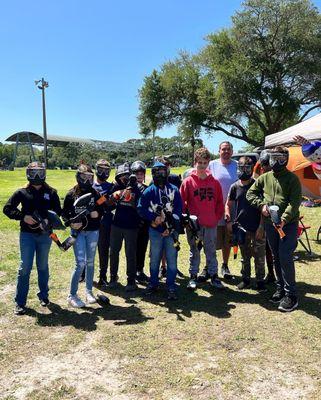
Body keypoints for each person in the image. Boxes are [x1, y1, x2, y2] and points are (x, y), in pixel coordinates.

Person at [247, 146, 302, 312]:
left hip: (288, 225)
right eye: (274, 158)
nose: (276, 162)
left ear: (286, 160)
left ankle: (291, 295)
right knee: (277, 257)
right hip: (271, 225)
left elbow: (294, 203)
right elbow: (251, 194)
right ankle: (281, 289)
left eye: (280, 158)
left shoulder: (292, 179)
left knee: (285, 256)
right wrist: (262, 206)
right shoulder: (265, 177)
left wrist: (284, 219)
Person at [3, 162, 61, 315]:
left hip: (45, 235)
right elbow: (7, 209)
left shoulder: (52, 192)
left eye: (40, 173)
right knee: (25, 268)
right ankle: (20, 302)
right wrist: (23, 217)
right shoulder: (22, 192)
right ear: (28, 173)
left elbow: (58, 211)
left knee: (42, 266)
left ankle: (44, 296)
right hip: (27, 235)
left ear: (44, 174)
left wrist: (49, 220)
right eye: (34, 172)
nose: (37, 176)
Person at [180, 147, 224, 290]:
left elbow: (219, 203)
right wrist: (187, 220)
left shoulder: (215, 182)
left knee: (211, 251)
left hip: (211, 224)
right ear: (195, 162)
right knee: (195, 251)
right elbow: (181, 203)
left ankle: (214, 276)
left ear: (208, 163)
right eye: (199, 162)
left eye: (205, 162)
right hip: (194, 226)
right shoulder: (188, 182)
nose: (202, 165)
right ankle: (193, 277)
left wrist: (216, 218)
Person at [137, 161, 182, 300]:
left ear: (167, 172)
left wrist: (170, 227)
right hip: (155, 230)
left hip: (171, 231)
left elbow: (179, 209)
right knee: (155, 259)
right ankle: (153, 283)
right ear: (153, 174)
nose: (160, 175)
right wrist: (153, 219)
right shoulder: (149, 190)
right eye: (157, 172)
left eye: (162, 172)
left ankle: (171, 286)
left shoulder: (174, 189)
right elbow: (141, 208)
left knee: (172, 259)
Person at [62, 163, 103, 308]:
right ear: (78, 177)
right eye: (83, 177)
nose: (87, 180)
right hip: (78, 233)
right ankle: (72, 295)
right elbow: (64, 214)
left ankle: (89, 291)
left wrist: (97, 213)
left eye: (89, 177)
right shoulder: (71, 194)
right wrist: (71, 223)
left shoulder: (96, 193)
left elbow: (102, 206)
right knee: (80, 263)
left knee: (90, 262)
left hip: (93, 231)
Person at [225, 157, 266, 291]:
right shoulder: (235, 186)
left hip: (257, 227)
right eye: (241, 168)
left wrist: (261, 226)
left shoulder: (257, 186)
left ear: (251, 169)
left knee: (259, 256)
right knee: (245, 256)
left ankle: (260, 281)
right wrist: (229, 220)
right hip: (241, 228)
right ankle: (246, 279)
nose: (244, 171)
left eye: (247, 168)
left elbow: (263, 208)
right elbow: (228, 204)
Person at [201, 141, 238, 281]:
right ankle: (207, 266)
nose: (226, 152)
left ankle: (225, 265)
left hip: (231, 210)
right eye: (223, 149)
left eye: (228, 149)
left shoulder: (237, 165)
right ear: (219, 151)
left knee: (227, 239)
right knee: (210, 240)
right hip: (213, 210)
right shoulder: (212, 165)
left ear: (232, 151)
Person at [109, 163, 142, 291]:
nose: (124, 179)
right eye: (122, 176)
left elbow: (140, 207)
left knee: (130, 253)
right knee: (114, 252)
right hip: (116, 224)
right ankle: (112, 277)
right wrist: (115, 196)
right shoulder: (116, 187)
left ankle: (131, 280)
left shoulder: (137, 188)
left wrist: (131, 195)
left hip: (131, 226)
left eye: (127, 176)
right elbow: (107, 204)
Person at [156, 157, 183, 278]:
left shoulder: (175, 179)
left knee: (174, 243)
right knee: (161, 246)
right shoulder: (155, 181)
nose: (165, 167)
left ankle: (174, 267)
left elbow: (180, 197)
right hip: (160, 218)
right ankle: (163, 267)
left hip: (174, 217)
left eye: (167, 165)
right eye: (162, 165)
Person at [254, 150, 276, 284]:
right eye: (263, 164)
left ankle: (274, 273)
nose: (265, 167)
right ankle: (270, 273)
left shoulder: (277, 173)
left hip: (275, 215)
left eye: (267, 164)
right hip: (262, 214)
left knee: (273, 248)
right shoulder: (259, 173)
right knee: (265, 247)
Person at [93, 159, 114, 287]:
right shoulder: (90, 184)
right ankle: (84, 273)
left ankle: (103, 275)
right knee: (88, 250)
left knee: (103, 250)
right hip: (90, 223)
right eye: (101, 170)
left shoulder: (111, 186)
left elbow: (109, 203)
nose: (103, 173)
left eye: (106, 170)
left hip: (106, 222)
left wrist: (103, 200)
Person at [131, 160, 150, 283]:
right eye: (136, 174)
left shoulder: (147, 189)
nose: (139, 176)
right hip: (132, 223)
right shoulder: (129, 188)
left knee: (142, 247)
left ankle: (140, 270)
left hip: (144, 224)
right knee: (132, 249)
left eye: (141, 174)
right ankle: (132, 271)